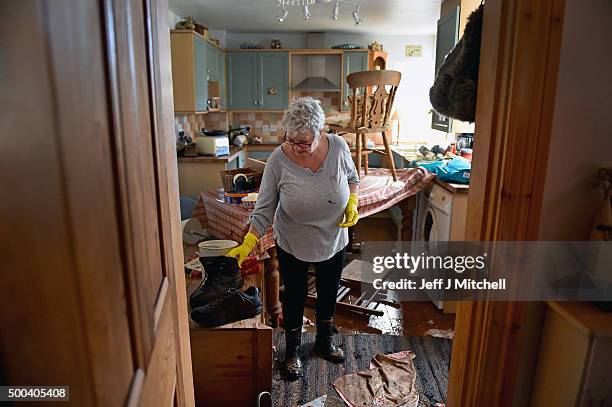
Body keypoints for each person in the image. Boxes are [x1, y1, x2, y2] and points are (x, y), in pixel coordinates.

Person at [227, 97, 360, 381]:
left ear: (320, 132)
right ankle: (292, 350)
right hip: (293, 241)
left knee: (328, 292)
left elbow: (353, 177)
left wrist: (353, 201)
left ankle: (325, 341)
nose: (297, 148)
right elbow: (264, 209)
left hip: (334, 238)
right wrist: (249, 243)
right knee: (295, 297)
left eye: (304, 142)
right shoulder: (278, 159)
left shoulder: (338, 147)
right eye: (292, 140)